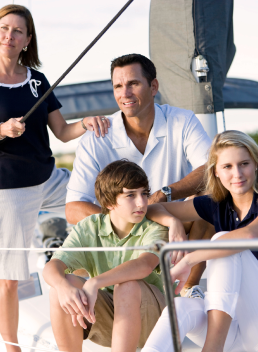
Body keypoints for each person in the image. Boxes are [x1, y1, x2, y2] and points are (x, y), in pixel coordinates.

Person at [0, 5, 109, 351]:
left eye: (18, 31)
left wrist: (86, 123)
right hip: (9, 189)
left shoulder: (37, 80)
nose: (10, 36)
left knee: (104, 206)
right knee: (10, 277)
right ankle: (12, 348)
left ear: (27, 40)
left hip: (49, 178)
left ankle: (116, 280)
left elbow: (63, 131)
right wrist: (0, 130)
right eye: (4, 28)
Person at [65, 53, 214, 295]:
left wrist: (165, 194)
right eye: (118, 86)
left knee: (211, 199)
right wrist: (129, 219)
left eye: (133, 83)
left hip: (171, 222)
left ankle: (188, 289)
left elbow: (211, 169)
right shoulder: (96, 137)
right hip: (123, 227)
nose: (125, 93)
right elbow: (72, 209)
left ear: (153, 86)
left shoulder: (182, 120)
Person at [142, 130, 258, 352]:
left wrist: (188, 261)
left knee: (223, 240)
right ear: (216, 172)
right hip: (233, 329)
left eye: (244, 164)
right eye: (227, 166)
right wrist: (173, 222)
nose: (237, 173)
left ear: (256, 165)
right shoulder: (216, 204)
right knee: (180, 306)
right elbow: (152, 209)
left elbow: (250, 235)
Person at [43, 160, 169, 351]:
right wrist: (62, 286)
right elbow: (53, 267)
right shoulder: (90, 226)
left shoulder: (154, 227)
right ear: (109, 202)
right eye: (131, 195)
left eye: (144, 193)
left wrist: (94, 282)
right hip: (112, 321)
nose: (142, 202)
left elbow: (144, 265)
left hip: (156, 322)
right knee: (60, 288)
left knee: (126, 287)